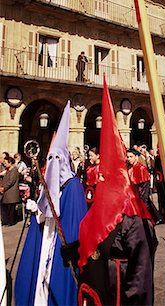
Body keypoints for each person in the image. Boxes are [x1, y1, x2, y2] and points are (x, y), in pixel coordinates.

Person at [62, 75, 157, 306]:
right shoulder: (97, 211)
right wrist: (73, 250)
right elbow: (95, 243)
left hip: (118, 295)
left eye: (106, 176)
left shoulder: (133, 220)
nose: (101, 178)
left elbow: (140, 275)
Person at [15, 101, 88, 306]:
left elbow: (74, 223)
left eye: (58, 158)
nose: (54, 162)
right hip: (48, 235)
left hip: (60, 241)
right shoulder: (52, 183)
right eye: (51, 157)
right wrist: (37, 210)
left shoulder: (73, 186)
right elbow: (47, 210)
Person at [127, 149, 162, 224]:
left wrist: (143, 201)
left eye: (131, 157)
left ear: (136, 157)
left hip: (141, 197)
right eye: (128, 157)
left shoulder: (141, 168)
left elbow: (145, 187)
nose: (129, 159)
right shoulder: (128, 168)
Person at [0, 155, 20, 226]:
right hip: (7, 193)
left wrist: (4, 187)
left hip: (11, 193)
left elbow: (11, 181)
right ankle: (5, 221)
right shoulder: (8, 170)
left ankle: (10, 221)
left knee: (10, 209)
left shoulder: (14, 170)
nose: (5, 164)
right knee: (4, 207)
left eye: (6, 163)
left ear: (10, 162)